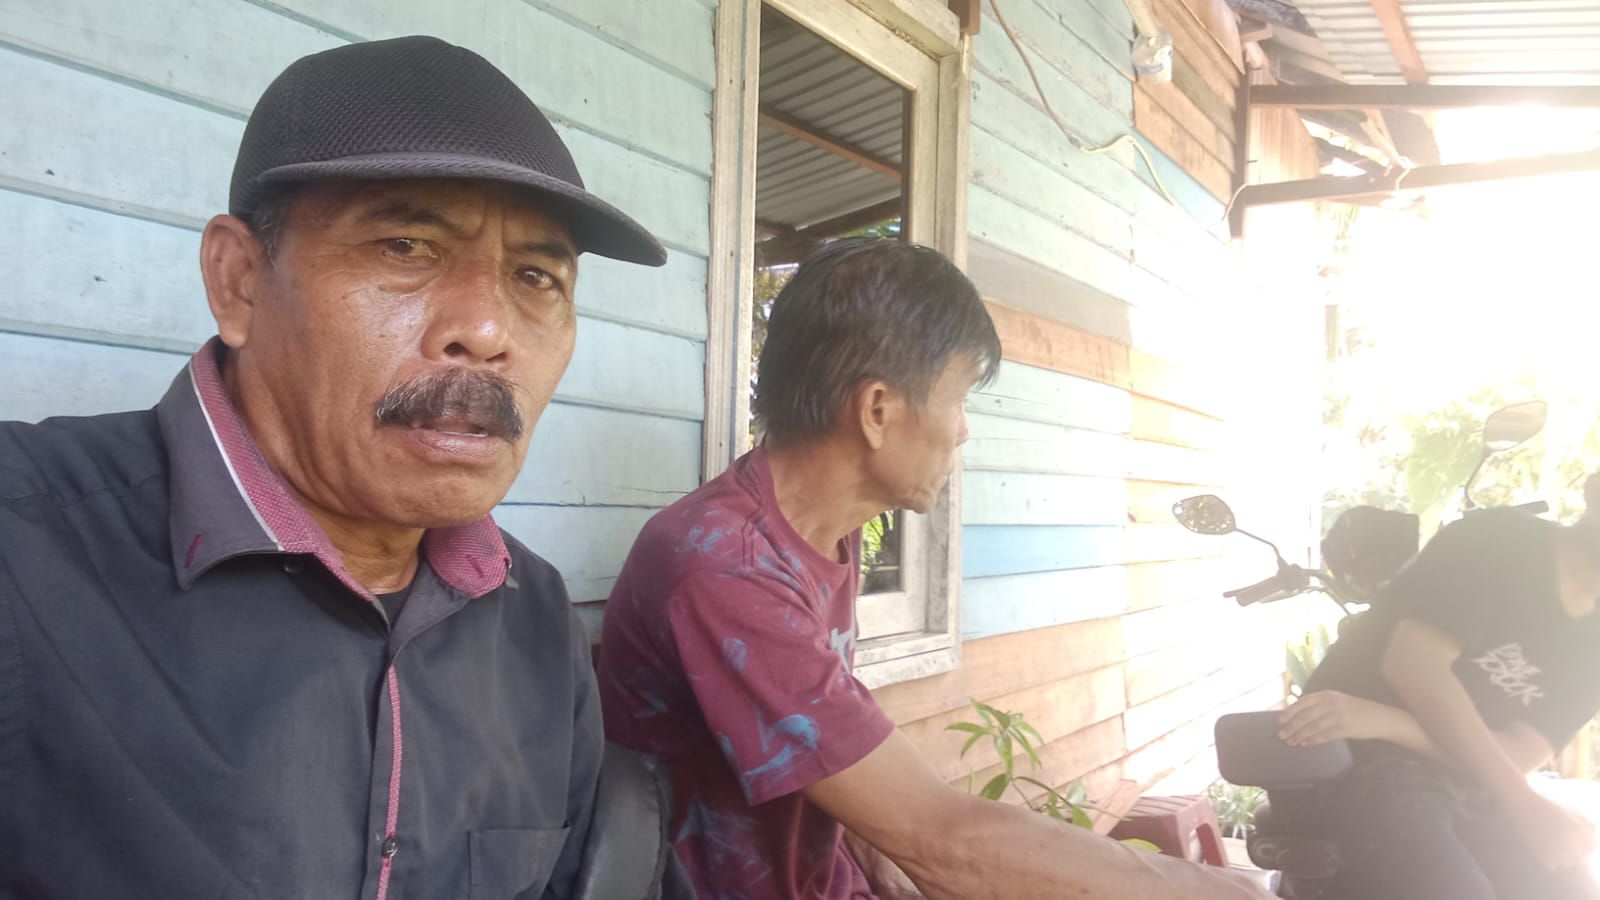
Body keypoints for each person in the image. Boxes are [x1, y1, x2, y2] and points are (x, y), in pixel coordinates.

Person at [0, 36, 689, 900]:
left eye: (535, 276)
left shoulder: (536, 616)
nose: (487, 330)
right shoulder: (23, 552)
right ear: (240, 281)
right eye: (406, 246)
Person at [598, 238, 1274, 899]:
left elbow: (832, 757)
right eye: (959, 398)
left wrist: (875, 841)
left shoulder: (818, 533)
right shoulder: (725, 565)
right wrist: (1218, 890)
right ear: (878, 410)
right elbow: (943, 840)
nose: (963, 430)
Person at [1278, 502, 1600, 899]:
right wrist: (1523, 801)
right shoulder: (1498, 539)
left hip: (1468, 782)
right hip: (1354, 763)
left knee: (1568, 891)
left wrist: (1385, 721)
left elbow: (1518, 756)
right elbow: (1414, 665)